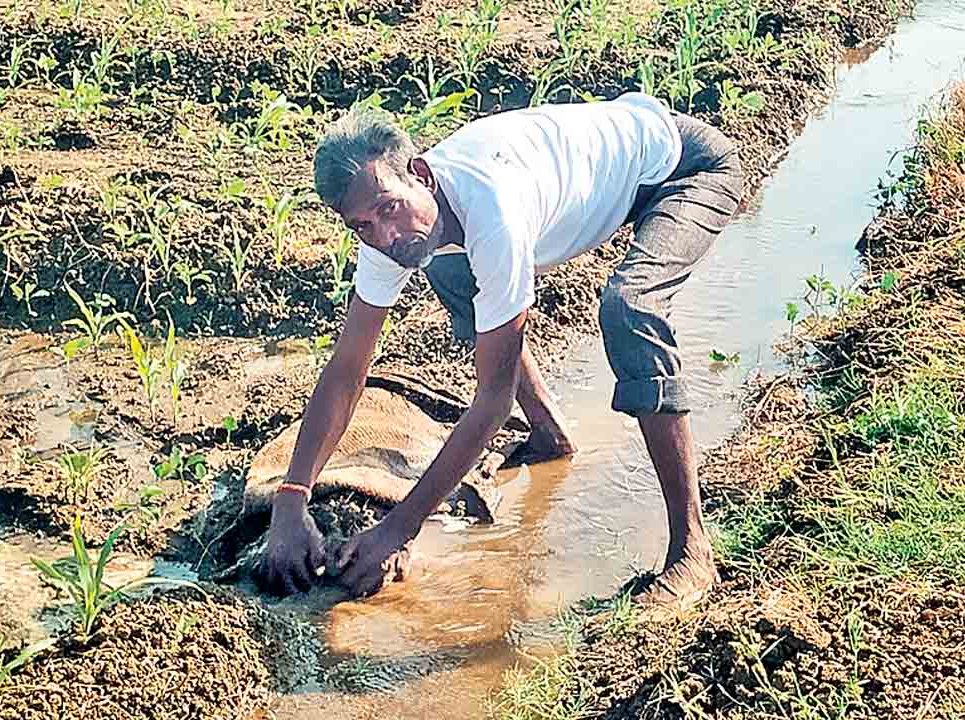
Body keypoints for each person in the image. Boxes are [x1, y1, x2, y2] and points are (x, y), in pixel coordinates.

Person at [263, 91, 743, 612]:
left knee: (629, 308)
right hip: (605, 174)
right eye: (362, 225)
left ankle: (692, 549)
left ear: (420, 175)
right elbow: (347, 368)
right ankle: (550, 434)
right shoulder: (388, 238)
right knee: (448, 265)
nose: (387, 235)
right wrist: (292, 496)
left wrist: (399, 528)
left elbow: (492, 401)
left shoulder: (492, 208)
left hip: (685, 169)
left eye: (389, 209)